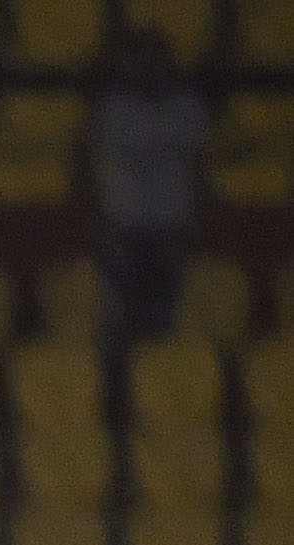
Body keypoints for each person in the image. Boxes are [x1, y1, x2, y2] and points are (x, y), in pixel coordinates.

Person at [93, 25, 211, 352]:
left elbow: (198, 161)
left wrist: (193, 218)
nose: (147, 68)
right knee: (120, 314)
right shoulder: (113, 108)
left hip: (169, 224)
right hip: (124, 224)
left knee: (165, 313)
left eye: (154, 60)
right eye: (139, 60)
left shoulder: (186, 107)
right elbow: (107, 158)